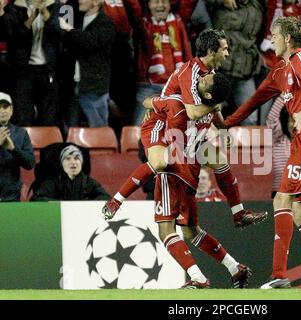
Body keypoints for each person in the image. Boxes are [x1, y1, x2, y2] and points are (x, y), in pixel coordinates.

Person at [225, 17, 301, 289]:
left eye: (275, 35)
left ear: (288, 38)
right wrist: (227, 122)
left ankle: (279, 275)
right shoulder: (279, 71)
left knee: (281, 200)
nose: (272, 40)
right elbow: (255, 99)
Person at [102, 29, 268, 229]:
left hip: (186, 130)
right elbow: (193, 112)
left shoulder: (210, 73)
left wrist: (223, 128)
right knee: (159, 162)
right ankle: (116, 201)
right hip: (161, 124)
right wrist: (216, 105)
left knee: (219, 162)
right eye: (224, 49)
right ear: (210, 51)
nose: (227, 54)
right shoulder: (190, 73)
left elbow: (209, 107)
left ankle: (239, 214)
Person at [105, 77, 253, 289]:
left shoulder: (179, 105)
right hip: (191, 170)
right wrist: (223, 130)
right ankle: (234, 266)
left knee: (166, 231)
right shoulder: (210, 107)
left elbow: (147, 102)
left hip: (173, 170)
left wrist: (157, 107)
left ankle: (199, 279)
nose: (200, 78)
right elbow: (215, 116)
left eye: (205, 79)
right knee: (192, 231)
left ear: (208, 93)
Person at [0, 0, 61, 126]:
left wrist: (46, 15)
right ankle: (25, 145)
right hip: (23, 71)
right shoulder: (14, 8)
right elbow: (13, 38)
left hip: (48, 70)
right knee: (22, 117)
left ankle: (47, 145)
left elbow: (61, 35)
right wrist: (30, 19)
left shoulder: (58, 7)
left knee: (48, 117)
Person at [133, 0, 193, 125]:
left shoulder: (179, 20)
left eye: (164, 1)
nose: (160, 5)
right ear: (148, 5)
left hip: (177, 88)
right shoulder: (143, 24)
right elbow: (133, 5)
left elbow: (188, 2)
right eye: (155, 2)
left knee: (183, 129)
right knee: (140, 128)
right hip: (149, 87)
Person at [59, 0, 116, 127]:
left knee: (98, 131)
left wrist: (69, 29)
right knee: (70, 130)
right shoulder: (78, 21)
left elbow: (91, 42)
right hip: (73, 85)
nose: (80, 0)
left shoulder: (106, 23)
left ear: (96, 2)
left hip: (94, 88)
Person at [31, 144, 110, 200]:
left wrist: (87, 205)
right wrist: (62, 205)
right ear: (62, 163)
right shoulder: (54, 181)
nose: (73, 162)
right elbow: (37, 198)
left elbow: (105, 197)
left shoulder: (88, 181)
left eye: (76, 158)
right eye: (68, 159)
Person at [0, 92, 35, 201]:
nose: (2, 111)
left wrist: (13, 149)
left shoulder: (21, 133)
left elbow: (30, 164)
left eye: (5, 107)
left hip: (11, 196)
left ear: (11, 110)